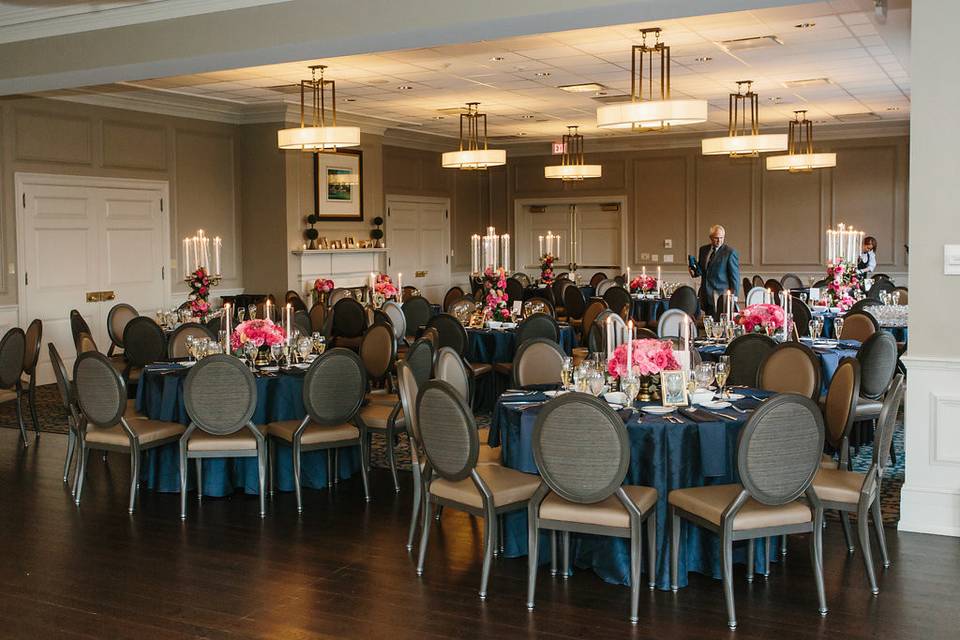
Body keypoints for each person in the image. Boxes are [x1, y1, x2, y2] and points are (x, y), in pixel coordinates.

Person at [689, 224, 740, 318]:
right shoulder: (703, 250)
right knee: (708, 320)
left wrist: (734, 296)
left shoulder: (730, 252)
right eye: (716, 238)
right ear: (711, 237)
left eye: (722, 238)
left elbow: (735, 277)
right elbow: (701, 270)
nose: (719, 240)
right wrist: (694, 270)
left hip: (720, 295)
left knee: (719, 323)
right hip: (705, 293)